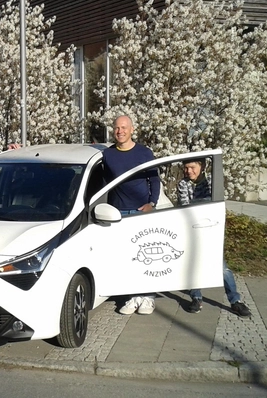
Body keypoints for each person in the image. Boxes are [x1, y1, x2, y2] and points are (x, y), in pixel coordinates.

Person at [177, 158, 252, 317]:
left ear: (202, 166)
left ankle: (235, 301)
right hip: (192, 231)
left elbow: (217, 203)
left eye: (192, 167)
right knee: (194, 265)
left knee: (222, 268)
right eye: (186, 168)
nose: (188, 171)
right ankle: (196, 297)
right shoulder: (183, 184)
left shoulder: (212, 181)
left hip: (212, 231)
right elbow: (185, 206)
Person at [102, 115, 160, 316]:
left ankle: (148, 297)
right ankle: (131, 297)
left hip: (140, 211)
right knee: (126, 256)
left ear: (132, 130)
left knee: (144, 255)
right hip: (117, 211)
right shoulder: (107, 154)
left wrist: (152, 203)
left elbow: (155, 180)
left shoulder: (144, 153)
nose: (120, 131)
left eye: (124, 128)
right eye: (117, 128)